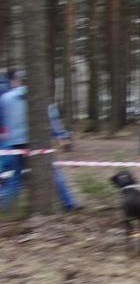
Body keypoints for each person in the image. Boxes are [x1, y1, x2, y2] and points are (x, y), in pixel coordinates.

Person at [0, 70, 81, 211]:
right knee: (54, 173)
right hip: (36, 143)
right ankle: (69, 203)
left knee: (15, 177)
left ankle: (5, 208)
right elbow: (53, 119)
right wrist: (61, 137)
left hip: (14, 143)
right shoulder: (41, 96)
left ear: (16, 81)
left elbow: (2, 121)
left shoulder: (5, 98)